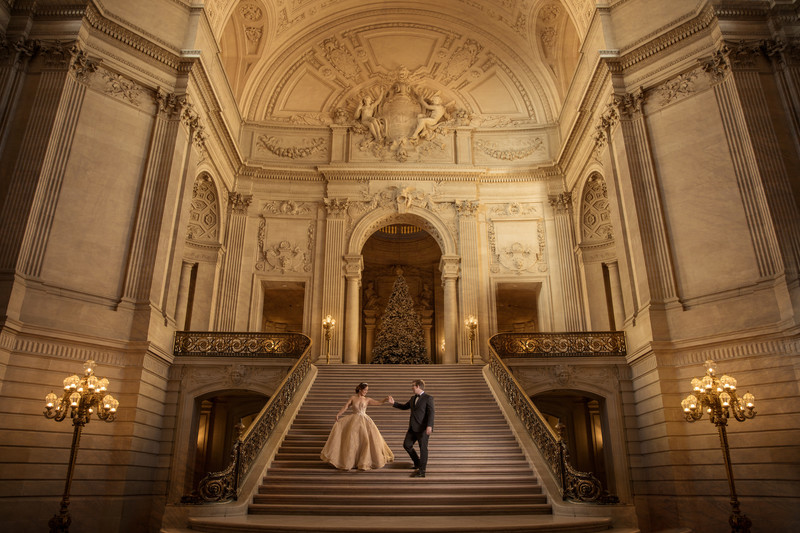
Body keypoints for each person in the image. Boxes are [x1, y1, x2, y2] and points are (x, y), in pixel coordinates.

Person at [320, 382, 394, 470]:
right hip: (354, 420)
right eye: (365, 390)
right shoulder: (353, 398)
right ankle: (351, 462)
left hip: (364, 421)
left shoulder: (367, 399)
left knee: (365, 440)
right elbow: (346, 406)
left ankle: (363, 462)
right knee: (352, 441)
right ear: (360, 389)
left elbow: (378, 403)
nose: (366, 392)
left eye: (367, 390)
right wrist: (338, 414)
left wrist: (385, 399)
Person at [388, 379, 434, 477]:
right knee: (407, 445)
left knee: (423, 449)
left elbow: (431, 413)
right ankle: (417, 462)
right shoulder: (413, 398)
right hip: (412, 428)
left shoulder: (428, 398)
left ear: (418, 386)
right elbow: (405, 406)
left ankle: (422, 471)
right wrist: (394, 403)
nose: (412, 388)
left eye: (413, 386)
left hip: (423, 429)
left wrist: (429, 426)